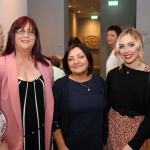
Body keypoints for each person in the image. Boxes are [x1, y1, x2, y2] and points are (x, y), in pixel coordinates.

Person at [0, 16, 54, 150]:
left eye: (31, 32)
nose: (26, 35)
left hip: (41, 136)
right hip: (11, 139)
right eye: (21, 31)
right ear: (13, 34)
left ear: (36, 37)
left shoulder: (46, 65)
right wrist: (0, 139)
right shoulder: (2, 64)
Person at [52, 43, 108, 150]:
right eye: (70, 59)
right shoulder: (60, 86)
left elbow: (107, 113)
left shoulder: (100, 83)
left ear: (89, 59)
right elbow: (54, 120)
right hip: (70, 145)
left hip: (96, 145)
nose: (76, 62)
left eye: (81, 57)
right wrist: (62, 146)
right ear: (67, 63)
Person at [105, 28, 150, 150]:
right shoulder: (113, 74)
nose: (126, 51)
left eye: (131, 45)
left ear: (139, 46)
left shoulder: (148, 75)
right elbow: (107, 105)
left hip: (137, 131)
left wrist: (133, 144)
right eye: (121, 46)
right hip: (112, 128)